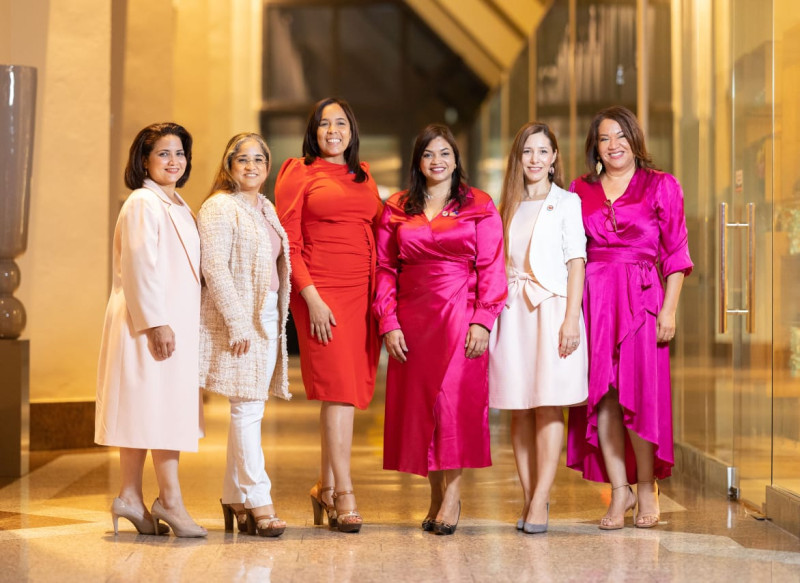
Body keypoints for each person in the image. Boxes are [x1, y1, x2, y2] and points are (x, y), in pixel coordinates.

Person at [373, 123, 507, 535]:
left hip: (460, 316)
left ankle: (452, 497)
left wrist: (484, 319)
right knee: (422, 411)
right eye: (429, 154)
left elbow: (492, 266)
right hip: (412, 321)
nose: (437, 161)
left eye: (445, 153)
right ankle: (434, 496)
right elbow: (383, 267)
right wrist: (388, 321)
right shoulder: (397, 206)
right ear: (418, 161)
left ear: (456, 159)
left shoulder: (478, 204)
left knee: (454, 407)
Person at [565, 106, 693, 530]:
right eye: (604, 138)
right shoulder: (578, 191)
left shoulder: (662, 185)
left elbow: (675, 254)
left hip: (643, 302)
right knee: (602, 399)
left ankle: (645, 487)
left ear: (635, 140)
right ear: (595, 147)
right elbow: (569, 254)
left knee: (639, 398)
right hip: (595, 302)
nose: (613, 145)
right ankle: (618, 493)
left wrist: (669, 309)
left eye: (620, 136)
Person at [275, 97, 382, 533]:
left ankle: (325, 485)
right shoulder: (297, 172)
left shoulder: (364, 174)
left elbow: (375, 226)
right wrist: (311, 295)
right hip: (322, 292)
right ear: (313, 132)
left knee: (348, 391)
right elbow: (288, 238)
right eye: (324, 124)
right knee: (338, 390)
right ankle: (344, 493)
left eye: (340, 123)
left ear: (352, 130)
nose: (333, 130)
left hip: (362, 291)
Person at [95, 122, 206, 538]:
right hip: (151, 324)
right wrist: (157, 322)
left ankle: (129, 495)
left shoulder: (175, 203)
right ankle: (170, 502)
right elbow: (140, 267)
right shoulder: (143, 202)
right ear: (144, 160)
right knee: (160, 410)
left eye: (180, 153)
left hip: (169, 322)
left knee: (147, 409)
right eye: (163, 153)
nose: (173, 161)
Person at [488, 122, 588, 534]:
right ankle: (530, 497)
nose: (534, 159)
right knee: (519, 406)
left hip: (552, 309)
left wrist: (571, 318)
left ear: (554, 159)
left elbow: (576, 261)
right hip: (514, 313)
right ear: (518, 158)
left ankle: (541, 500)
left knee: (548, 404)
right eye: (527, 151)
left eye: (543, 151)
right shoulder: (506, 204)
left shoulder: (567, 202)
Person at [198, 133, 292, 537]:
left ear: (267, 166)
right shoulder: (219, 207)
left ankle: (233, 495)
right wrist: (237, 323)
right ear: (229, 165)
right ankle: (258, 498)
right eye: (242, 159)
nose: (251, 166)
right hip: (243, 320)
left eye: (259, 159)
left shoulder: (266, 208)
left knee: (250, 405)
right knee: (248, 407)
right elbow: (214, 267)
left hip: (268, 315)